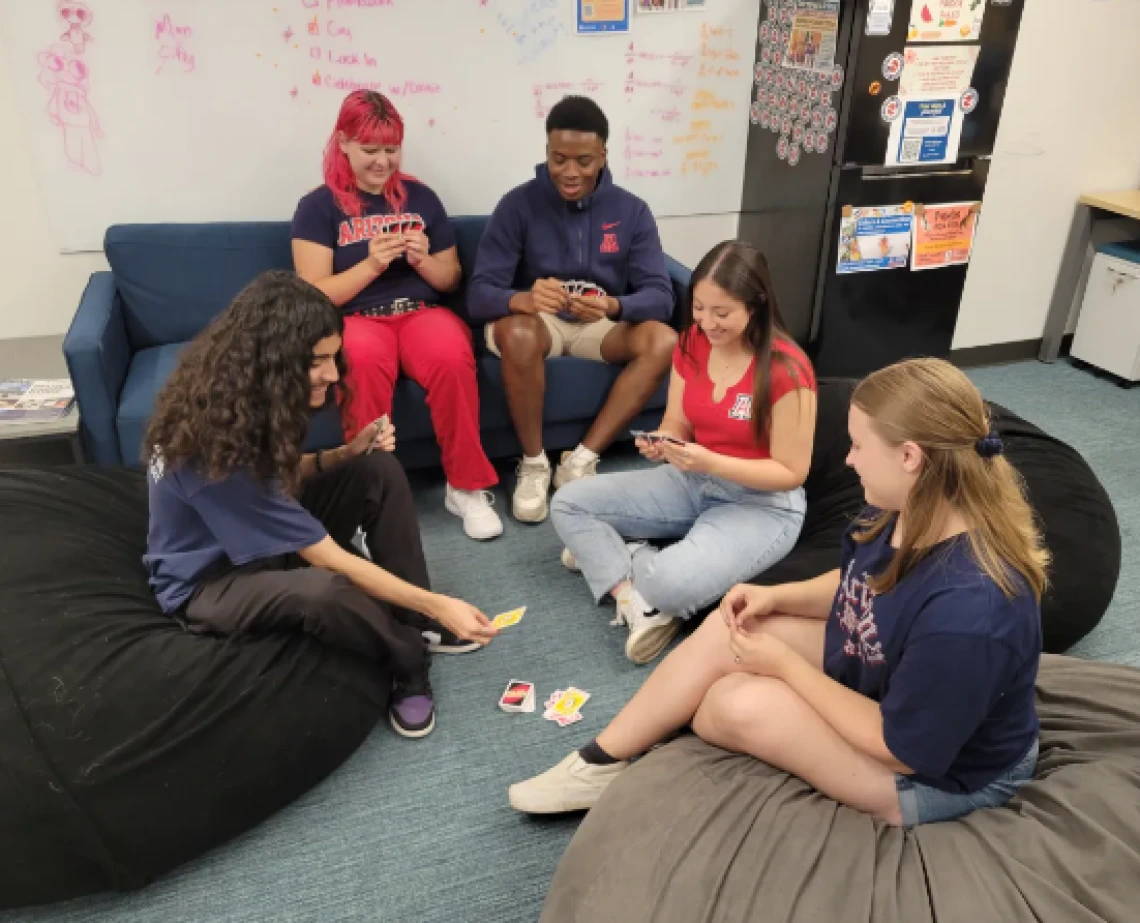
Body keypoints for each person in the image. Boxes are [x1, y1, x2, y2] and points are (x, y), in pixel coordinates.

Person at [510, 358, 1047, 828]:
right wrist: (778, 597)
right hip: (893, 680)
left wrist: (786, 668)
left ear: (910, 457)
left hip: (942, 778)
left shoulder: (971, 610)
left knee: (726, 706)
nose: (849, 460)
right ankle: (599, 761)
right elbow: (861, 583)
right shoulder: (901, 509)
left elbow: (901, 750)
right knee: (731, 629)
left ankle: (651, 746)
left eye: (859, 446)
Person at [143, 272, 499, 740]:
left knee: (376, 468)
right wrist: (440, 604)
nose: (333, 374)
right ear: (273, 360)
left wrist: (344, 455)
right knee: (323, 589)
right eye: (318, 362)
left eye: (334, 357)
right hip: (209, 583)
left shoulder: (243, 399)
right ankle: (408, 659)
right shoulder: (209, 448)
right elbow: (326, 556)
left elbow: (277, 474)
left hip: (258, 539)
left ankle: (414, 621)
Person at [551, 241, 816, 664]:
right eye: (699, 308)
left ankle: (625, 558)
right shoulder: (693, 341)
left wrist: (710, 461)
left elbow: (791, 472)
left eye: (721, 313)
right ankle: (634, 600)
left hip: (760, 504)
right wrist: (663, 442)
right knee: (568, 503)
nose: (706, 322)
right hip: (690, 478)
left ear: (755, 305)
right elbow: (677, 420)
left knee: (668, 583)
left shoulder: (787, 369)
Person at [292, 90, 502, 542]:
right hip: (355, 318)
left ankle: (466, 486)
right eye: (370, 150)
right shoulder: (317, 207)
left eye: (391, 150)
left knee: (451, 355)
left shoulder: (421, 198)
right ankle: (369, 498)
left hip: (421, 312)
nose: (382, 161)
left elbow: (450, 279)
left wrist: (423, 260)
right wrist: (371, 265)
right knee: (361, 360)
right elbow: (314, 293)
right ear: (343, 142)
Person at [468, 95, 678, 524]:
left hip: (598, 325)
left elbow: (661, 296)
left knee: (663, 339)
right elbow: (478, 294)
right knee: (520, 331)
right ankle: (533, 463)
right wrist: (522, 299)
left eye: (583, 161)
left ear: (603, 156)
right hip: (536, 325)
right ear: (546, 152)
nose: (569, 172)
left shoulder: (632, 211)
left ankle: (581, 459)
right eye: (558, 159)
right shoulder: (517, 205)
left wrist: (613, 304)